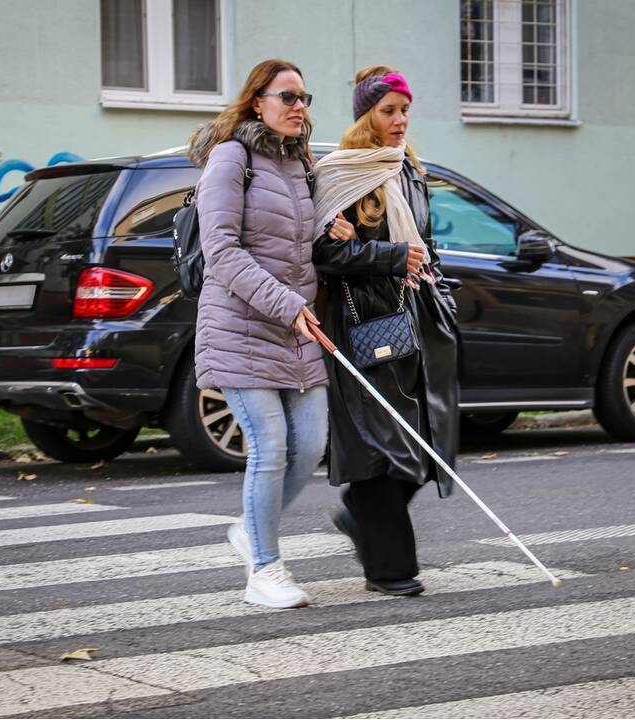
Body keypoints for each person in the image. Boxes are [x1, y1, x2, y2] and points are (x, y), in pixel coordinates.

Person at [312, 66, 459, 596]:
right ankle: (391, 569)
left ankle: (359, 516)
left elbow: (424, 242)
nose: (400, 122)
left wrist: (433, 275)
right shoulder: (344, 172)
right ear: (365, 116)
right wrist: (394, 255)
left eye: (405, 111)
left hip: (414, 314)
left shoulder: (408, 168)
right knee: (381, 444)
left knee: (424, 444)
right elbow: (326, 254)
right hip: (361, 321)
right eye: (388, 111)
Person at [188, 59, 328, 609]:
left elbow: (297, 246)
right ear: (257, 103)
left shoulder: (300, 166)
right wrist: (286, 304)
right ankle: (264, 570)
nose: (299, 107)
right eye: (287, 97)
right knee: (269, 447)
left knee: (311, 444)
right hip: (241, 326)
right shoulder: (231, 158)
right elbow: (222, 251)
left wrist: (330, 229)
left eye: (304, 97)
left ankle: (250, 529)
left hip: (296, 328)